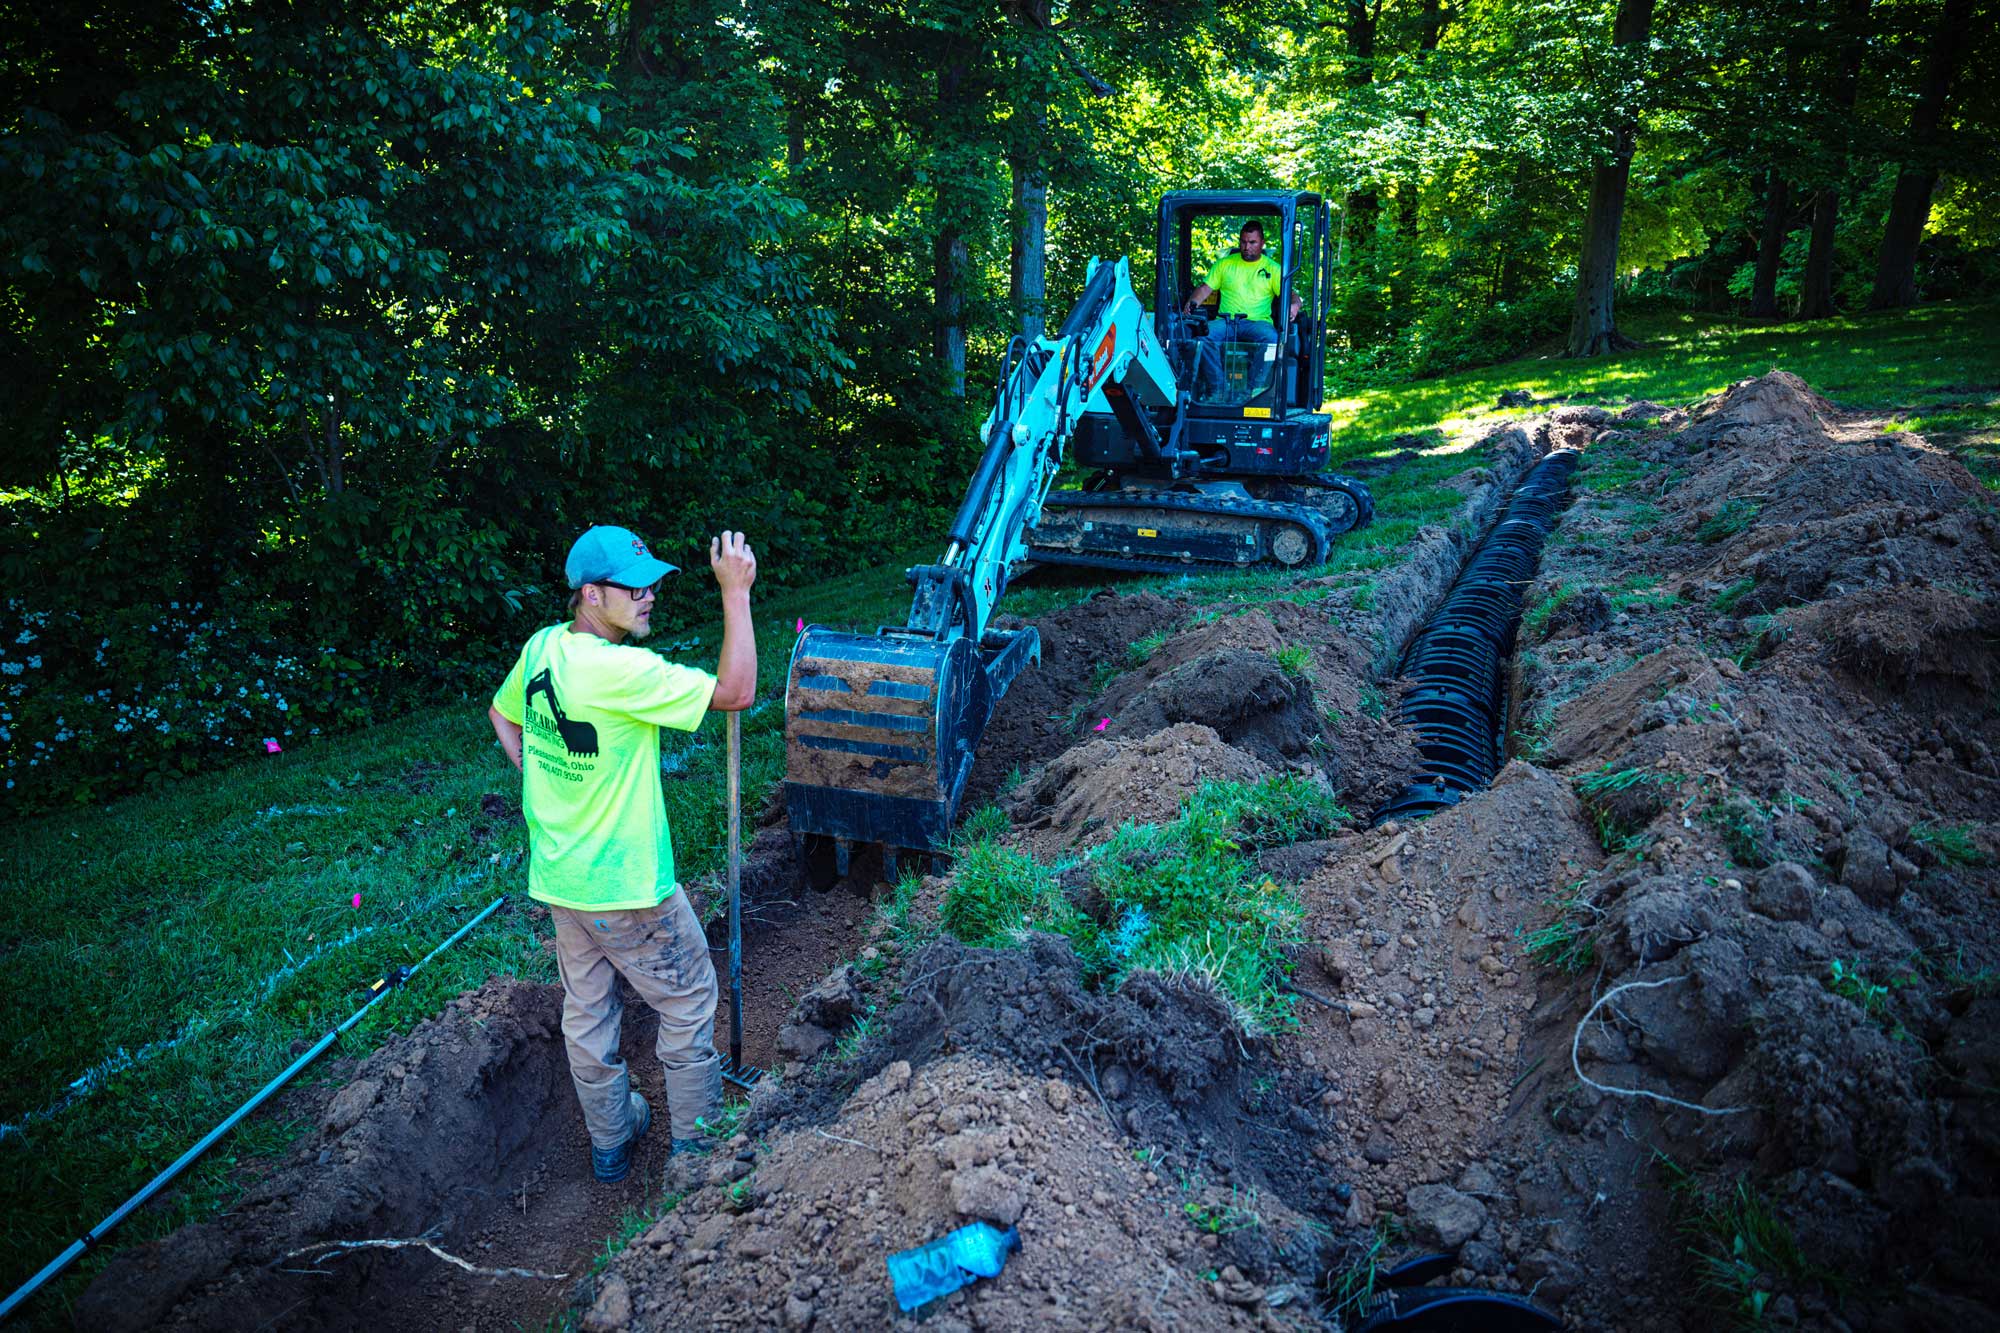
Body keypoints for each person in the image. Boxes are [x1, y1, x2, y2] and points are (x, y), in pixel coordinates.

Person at [487, 524, 758, 1185]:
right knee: (690, 996)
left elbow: (501, 713)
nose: (649, 596)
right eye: (633, 588)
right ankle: (699, 1150)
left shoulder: (544, 646)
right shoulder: (620, 672)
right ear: (590, 594)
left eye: (653, 582)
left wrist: (537, 777)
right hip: (630, 889)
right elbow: (736, 691)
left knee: (588, 1009)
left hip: (561, 881)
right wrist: (736, 592)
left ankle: (612, 1139)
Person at [1182, 219, 1302, 399]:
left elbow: (1292, 295)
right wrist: (1192, 303)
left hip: (1257, 323)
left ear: (1262, 243)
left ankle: (1251, 393)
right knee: (1202, 337)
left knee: (1272, 339)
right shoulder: (1225, 264)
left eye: (1252, 242)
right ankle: (1218, 390)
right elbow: (1205, 289)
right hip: (1226, 321)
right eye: (1244, 242)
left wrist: (1295, 305)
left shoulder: (1273, 269)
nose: (1247, 247)